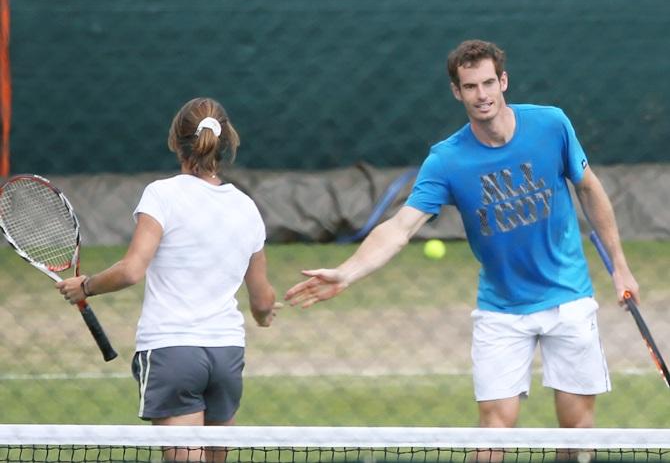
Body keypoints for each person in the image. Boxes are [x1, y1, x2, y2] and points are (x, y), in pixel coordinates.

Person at [284, 40, 639, 434]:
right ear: (457, 91)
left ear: (503, 81)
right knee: (493, 435)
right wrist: (347, 273)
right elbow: (402, 227)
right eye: (470, 87)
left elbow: (589, 189)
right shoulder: (446, 160)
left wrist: (620, 267)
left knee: (577, 433)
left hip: (569, 299)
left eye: (489, 83)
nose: (482, 95)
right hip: (501, 311)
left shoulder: (552, 125)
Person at [56, 97, 279, 462]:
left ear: (176, 141)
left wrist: (85, 286)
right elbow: (263, 301)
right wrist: (266, 315)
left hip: (172, 352)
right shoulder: (246, 206)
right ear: (227, 142)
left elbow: (131, 270)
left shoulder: (162, 194)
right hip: (226, 354)